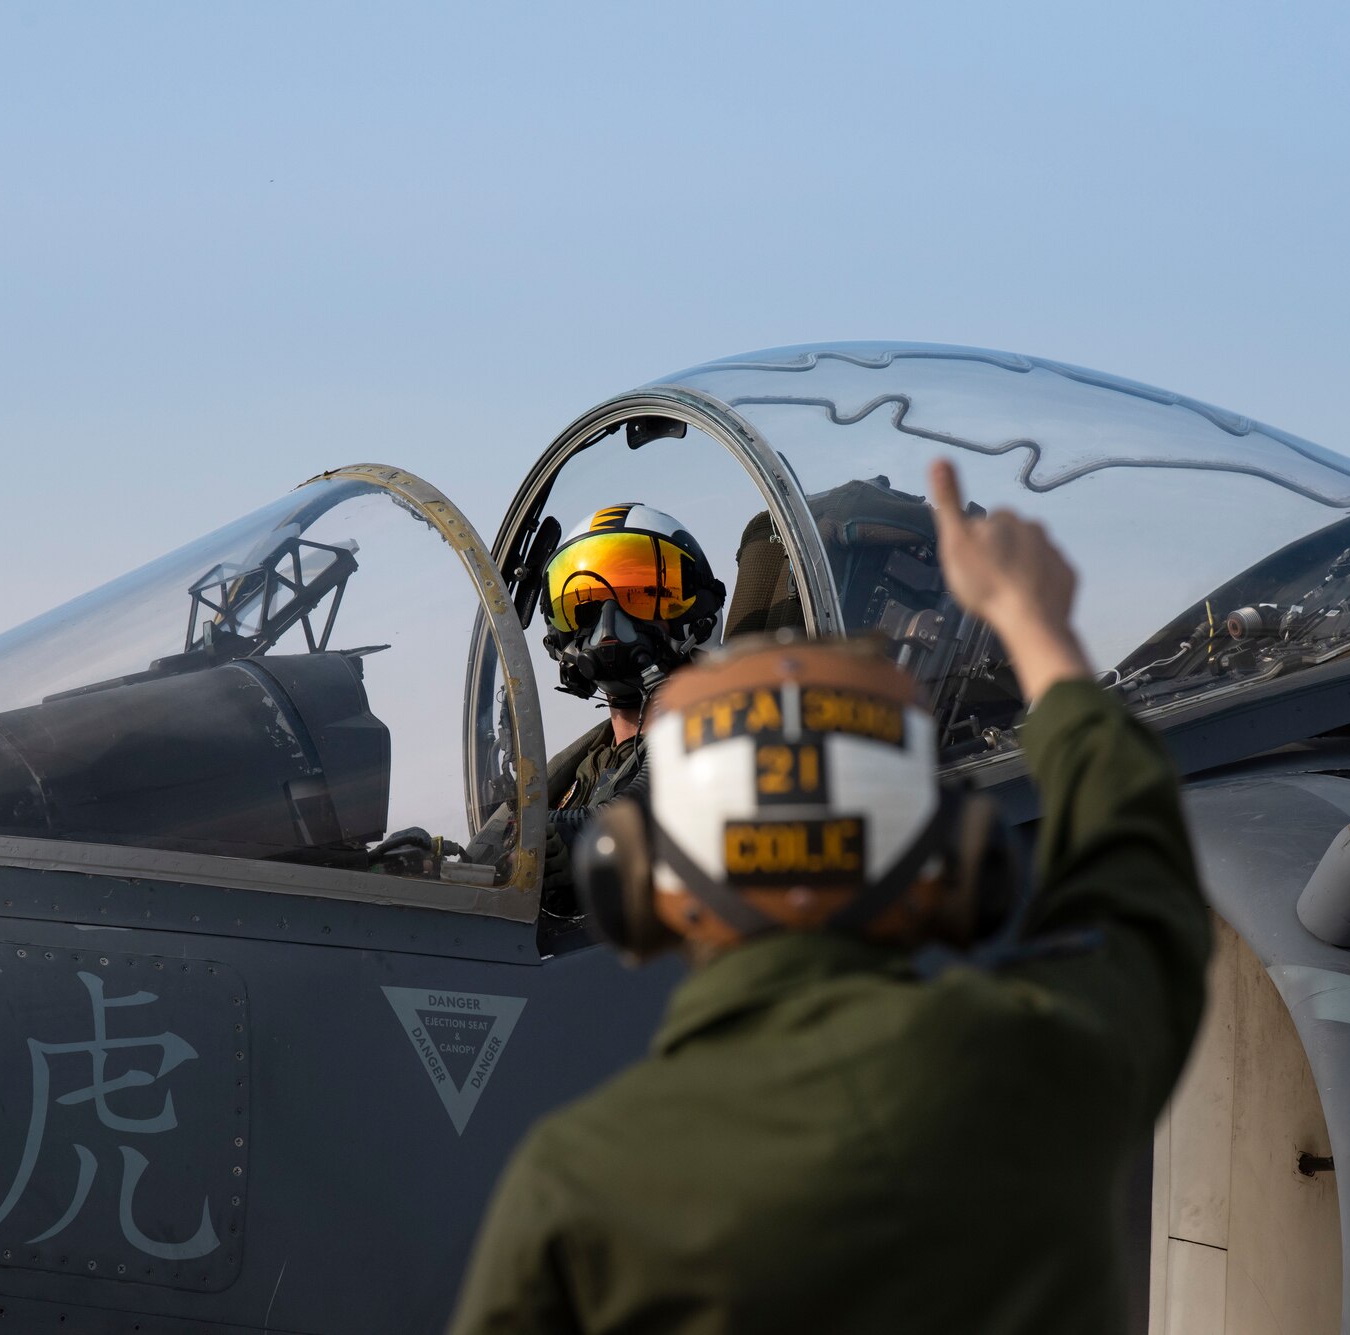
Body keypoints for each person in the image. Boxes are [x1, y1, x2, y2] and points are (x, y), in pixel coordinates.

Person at [448, 460, 1211, 1335]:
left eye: (640, 586)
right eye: (588, 597)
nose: (613, 622)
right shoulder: (1040, 1074)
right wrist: (1040, 631)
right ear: (948, 865)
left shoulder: (575, 1184)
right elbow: (1144, 893)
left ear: (642, 890)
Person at [536, 504, 726, 912]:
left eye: (641, 595)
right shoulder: (577, 768)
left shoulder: (723, 753)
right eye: (585, 605)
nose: (608, 627)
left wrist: (583, 839)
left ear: (697, 618)